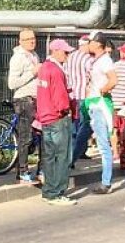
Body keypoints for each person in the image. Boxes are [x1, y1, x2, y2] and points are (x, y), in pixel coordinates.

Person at [37, 39, 76, 205]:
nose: (67, 55)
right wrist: (66, 110)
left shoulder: (44, 68)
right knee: (63, 157)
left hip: (45, 117)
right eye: (65, 52)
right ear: (57, 51)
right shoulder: (56, 71)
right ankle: (58, 192)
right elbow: (60, 97)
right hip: (58, 117)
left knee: (49, 156)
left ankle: (48, 190)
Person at [6, 28, 41, 184]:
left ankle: (37, 168)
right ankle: (22, 171)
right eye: (27, 39)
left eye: (33, 38)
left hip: (35, 99)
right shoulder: (18, 58)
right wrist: (32, 73)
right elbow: (12, 83)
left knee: (38, 135)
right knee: (25, 136)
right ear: (20, 42)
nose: (31, 41)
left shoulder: (34, 55)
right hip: (23, 99)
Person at [83, 32, 116, 194]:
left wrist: (103, 90)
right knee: (85, 134)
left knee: (103, 144)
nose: (88, 44)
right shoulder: (96, 60)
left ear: (97, 44)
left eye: (90, 41)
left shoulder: (105, 61)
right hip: (93, 103)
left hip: (100, 105)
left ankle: (106, 182)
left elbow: (113, 80)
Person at [65, 35, 93, 164]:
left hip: (71, 95)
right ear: (86, 45)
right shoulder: (87, 59)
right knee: (84, 125)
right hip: (83, 95)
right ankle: (77, 153)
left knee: (74, 126)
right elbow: (92, 74)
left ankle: (76, 151)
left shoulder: (70, 56)